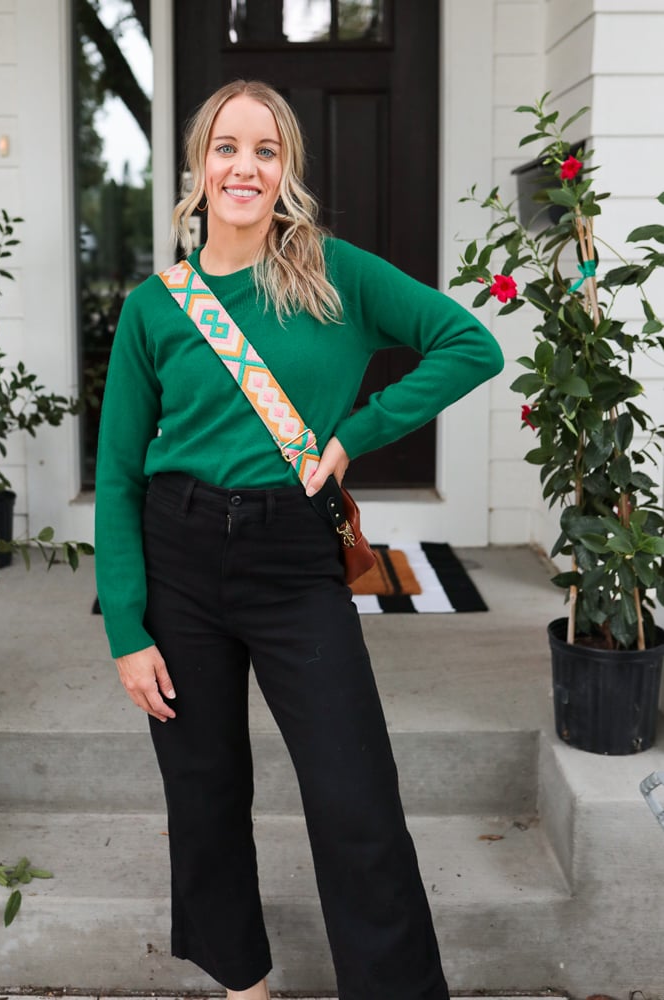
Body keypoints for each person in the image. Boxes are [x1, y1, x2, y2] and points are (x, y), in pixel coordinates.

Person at [95, 79, 504, 1000]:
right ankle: (243, 983)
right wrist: (127, 626)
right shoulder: (153, 308)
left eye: (266, 150)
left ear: (288, 171)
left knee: (355, 794)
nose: (246, 167)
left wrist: (354, 433)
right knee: (203, 792)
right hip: (180, 559)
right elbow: (118, 477)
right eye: (227, 148)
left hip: (292, 562)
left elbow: (469, 345)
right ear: (198, 167)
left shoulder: (334, 273)